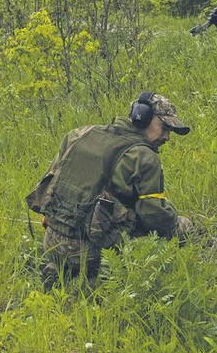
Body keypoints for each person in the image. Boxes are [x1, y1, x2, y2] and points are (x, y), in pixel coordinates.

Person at [26, 92, 194, 289]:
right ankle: (98, 279)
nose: (167, 137)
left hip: (51, 242)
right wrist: (172, 216)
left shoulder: (81, 134)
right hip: (92, 252)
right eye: (164, 127)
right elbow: (154, 216)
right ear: (143, 117)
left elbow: (49, 185)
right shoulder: (144, 157)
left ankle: (61, 268)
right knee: (182, 226)